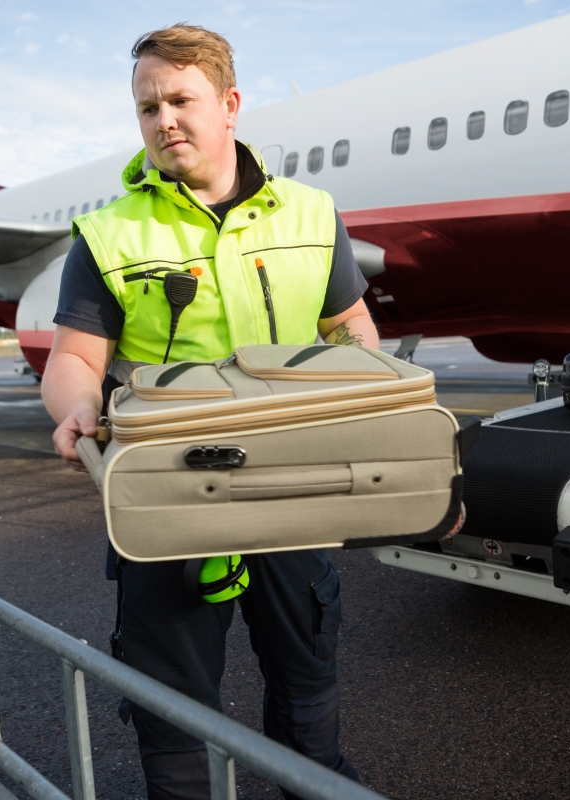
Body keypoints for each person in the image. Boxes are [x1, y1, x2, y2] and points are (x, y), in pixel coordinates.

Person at [41, 23, 378, 800]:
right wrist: (72, 408)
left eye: (180, 100)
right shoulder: (109, 234)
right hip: (167, 497)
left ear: (228, 104)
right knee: (172, 705)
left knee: (307, 684)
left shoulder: (311, 214)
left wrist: (370, 395)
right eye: (147, 106)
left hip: (291, 490)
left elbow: (351, 329)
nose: (164, 120)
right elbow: (75, 359)